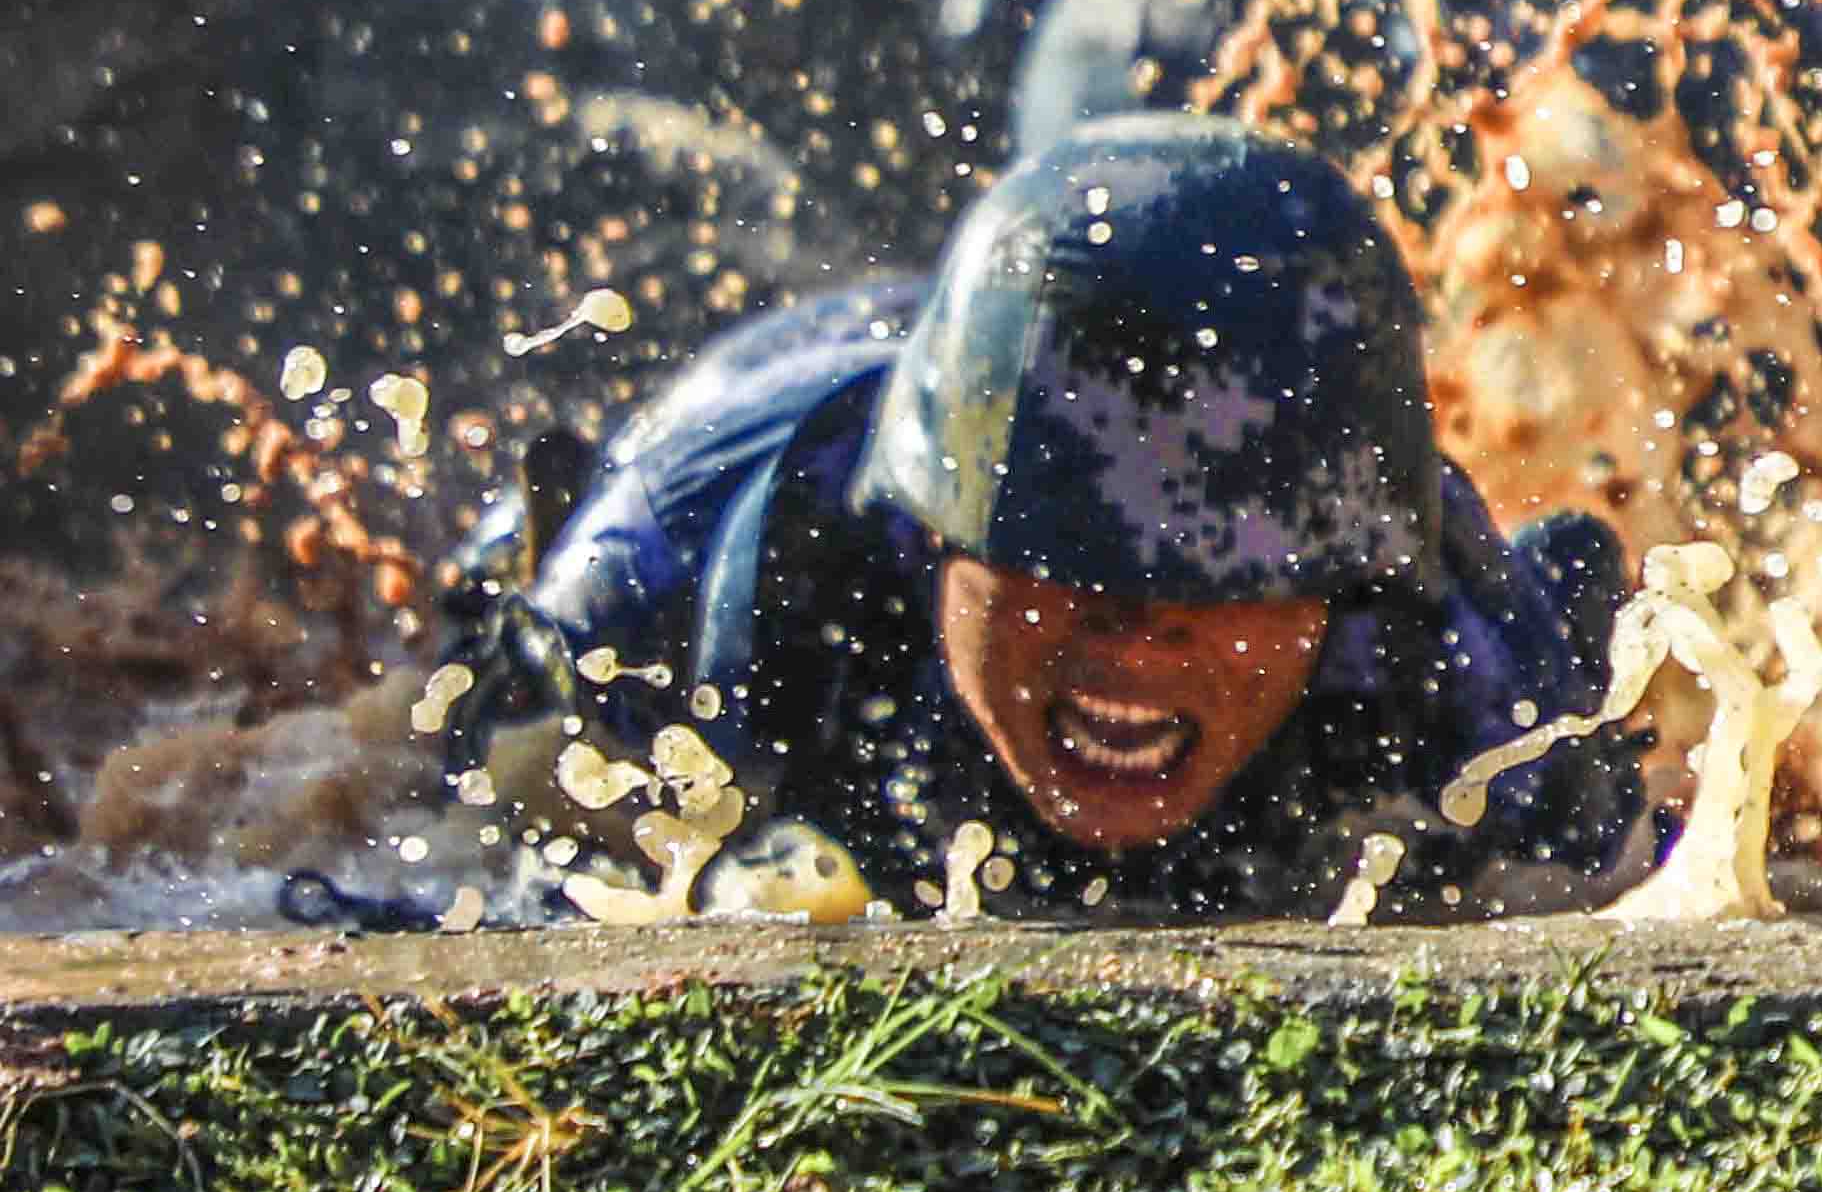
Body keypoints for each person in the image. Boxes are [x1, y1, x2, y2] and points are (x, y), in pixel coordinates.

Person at [441, 115, 1655, 918]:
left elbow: (1661, 889)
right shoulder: (685, 598)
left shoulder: (1466, 663)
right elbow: (446, 852)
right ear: (935, 536)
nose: (1135, 641)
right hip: (777, 385)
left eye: (1217, 588)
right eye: (1070, 567)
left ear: (1333, 584)